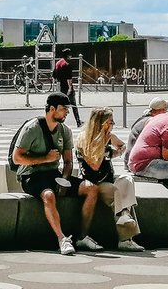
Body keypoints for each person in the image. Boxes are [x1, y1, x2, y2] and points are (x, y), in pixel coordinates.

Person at [13, 92, 102, 255]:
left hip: (54, 175)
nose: (67, 112)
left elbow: (68, 162)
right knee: (49, 196)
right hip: (31, 175)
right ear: (52, 109)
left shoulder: (65, 131)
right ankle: (62, 239)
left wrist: (64, 180)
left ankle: (82, 237)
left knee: (91, 189)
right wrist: (45, 158)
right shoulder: (32, 128)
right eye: (64, 108)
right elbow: (17, 158)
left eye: (68, 108)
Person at [75, 107, 144, 251]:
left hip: (109, 178)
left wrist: (116, 151)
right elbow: (94, 166)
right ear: (100, 123)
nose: (112, 125)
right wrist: (102, 143)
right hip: (94, 182)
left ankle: (124, 216)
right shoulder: (84, 138)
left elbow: (120, 146)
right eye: (109, 122)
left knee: (127, 180)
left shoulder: (107, 136)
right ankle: (125, 238)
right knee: (119, 194)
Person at [124, 97, 168, 171]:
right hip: (136, 163)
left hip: (131, 160)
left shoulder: (143, 119)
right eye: (166, 110)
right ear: (161, 110)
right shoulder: (152, 122)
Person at [54, 48, 82, 127]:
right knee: (73, 104)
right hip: (67, 86)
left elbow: (54, 75)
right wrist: (70, 88)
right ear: (68, 55)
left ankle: (59, 121)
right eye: (70, 55)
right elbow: (69, 78)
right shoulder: (67, 65)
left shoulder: (58, 63)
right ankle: (78, 121)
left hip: (60, 85)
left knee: (62, 104)